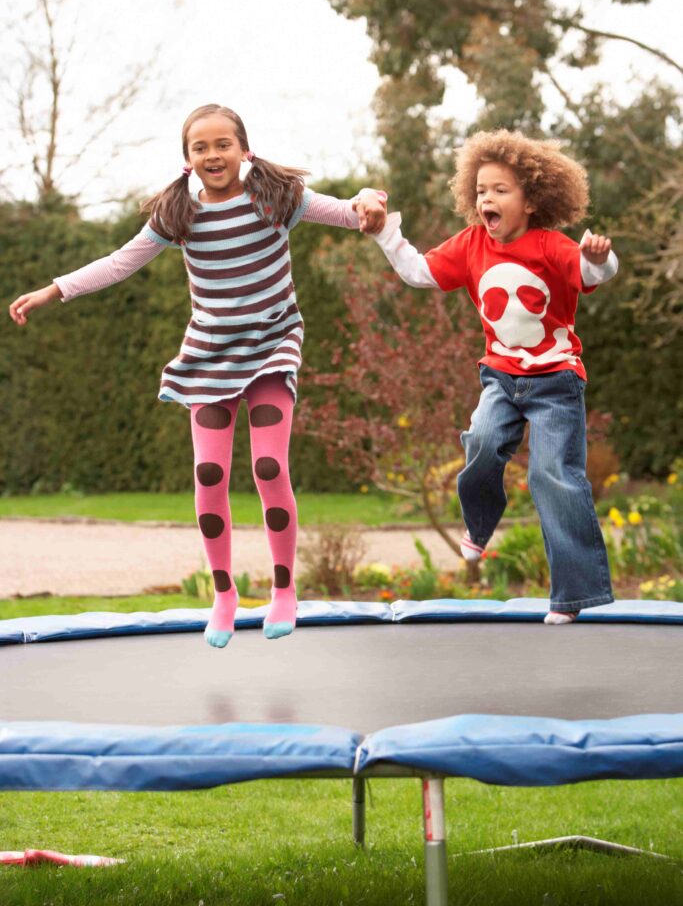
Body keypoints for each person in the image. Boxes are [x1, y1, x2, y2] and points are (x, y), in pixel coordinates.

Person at [9, 103, 386, 647]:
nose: (213, 155)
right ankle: (224, 594)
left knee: (267, 463)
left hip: (272, 344)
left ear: (244, 150)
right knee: (208, 474)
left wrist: (370, 202)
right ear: (187, 159)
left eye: (222, 144)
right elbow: (121, 261)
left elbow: (349, 213)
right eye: (200, 148)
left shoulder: (279, 199)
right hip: (209, 353)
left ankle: (284, 590)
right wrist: (56, 288)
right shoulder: (177, 214)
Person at [369, 129, 616, 624]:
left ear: (531, 199)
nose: (488, 198)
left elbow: (593, 275)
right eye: (481, 190)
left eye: (501, 190)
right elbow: (419, 272)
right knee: (481, 441)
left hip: (556, 383)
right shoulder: (471, 244)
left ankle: (571, 597)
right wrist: (384, 234)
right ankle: (478, 529)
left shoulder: (550, 245)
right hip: (501, 378)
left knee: (552, 476)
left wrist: (597, 258)